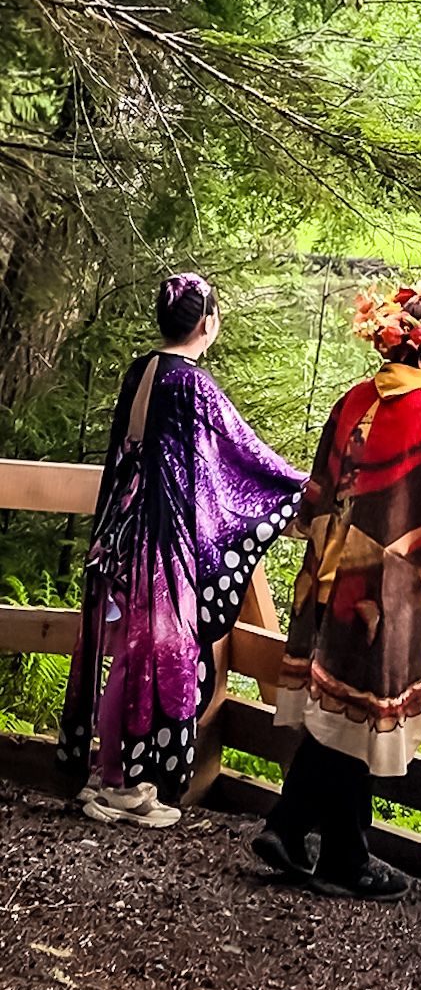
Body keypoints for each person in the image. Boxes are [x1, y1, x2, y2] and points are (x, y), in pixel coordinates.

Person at [256, 274, 421, 899]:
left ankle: (308, 837)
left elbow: (315, 492)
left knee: (341, 714)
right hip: (387, 592)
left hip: (325, 579)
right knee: (358, 716)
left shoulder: (354, 399)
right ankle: (324, 846)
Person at [57, 273, 304, 826]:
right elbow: (243, 456)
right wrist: (300, 487)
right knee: (144, 659)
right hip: (157, 547)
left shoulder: (142, 369)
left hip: (119, 534)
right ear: (207, 323)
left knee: (127, 656)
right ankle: (120, 785)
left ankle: (108, 773)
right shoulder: (192, 383)